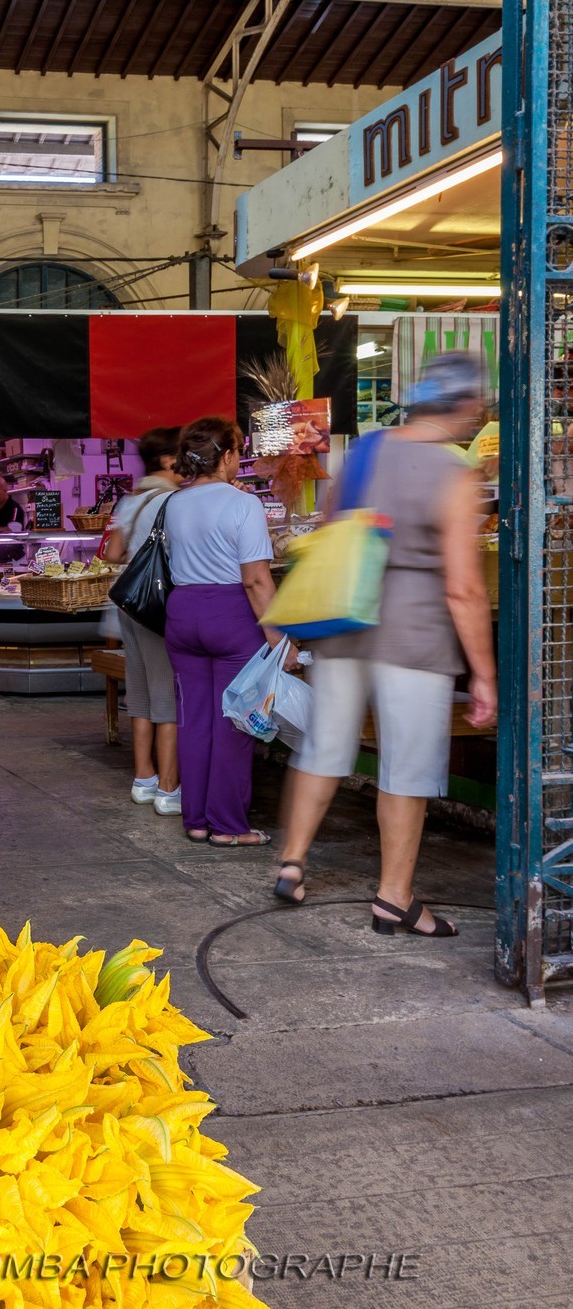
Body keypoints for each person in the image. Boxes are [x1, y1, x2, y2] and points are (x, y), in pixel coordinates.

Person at [275, 350, 497, 935]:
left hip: (345, 625)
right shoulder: (455, 476)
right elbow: (465, 589)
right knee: (407, 766)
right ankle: (394, 896)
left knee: (325, 747)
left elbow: (325, 535)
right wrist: (484, 674)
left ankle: (292, 862)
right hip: (414, 639)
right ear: (467, 406)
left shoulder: (365, 452)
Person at [163, 417, 291, 846]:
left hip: (182, 614)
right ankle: (228, 826)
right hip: (230, 615)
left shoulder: (174, 502)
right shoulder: (244, 504)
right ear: (229, 455)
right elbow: (256, 579)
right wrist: (280, 641)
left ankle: (196, 820)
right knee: (236, 720)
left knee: (194, 720)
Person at [105, 428, 183, 815]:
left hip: (131, 603)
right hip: (159, 605)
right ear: (169, 460)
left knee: (138, 692)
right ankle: (168, 789)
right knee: (165, 693)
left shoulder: (131, 500)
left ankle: (143, 778)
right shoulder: (174, 499)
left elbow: (115, 553)